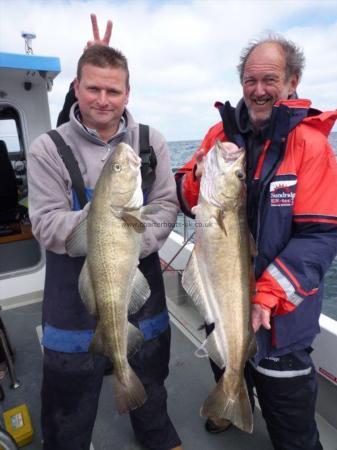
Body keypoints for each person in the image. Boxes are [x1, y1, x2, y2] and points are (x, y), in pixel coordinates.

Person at [176, 33, 337, 450]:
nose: (259, 90)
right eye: (250, 80)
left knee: (291, 425)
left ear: (292, 82)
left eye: (270, 80)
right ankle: (232, 399)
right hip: (222, 294)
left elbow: (320, 236)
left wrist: (266, 296)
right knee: (227, 359)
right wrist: (193, 181)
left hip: (280, 316)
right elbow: (187, 195)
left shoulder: (312, 146)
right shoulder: (219, 134)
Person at [27, 16, 182, 450]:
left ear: (127, 94)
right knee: (66, 405)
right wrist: (103, 222)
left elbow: (167, 206)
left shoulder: (151, 143)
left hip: (140, 289)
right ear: (76, 88)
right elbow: (45, 224)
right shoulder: (46, 149)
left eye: (113, 90)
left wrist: (132, 238)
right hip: (69, 305)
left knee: (152, 382)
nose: (103, 99)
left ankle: (156, 434)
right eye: (93, 88)